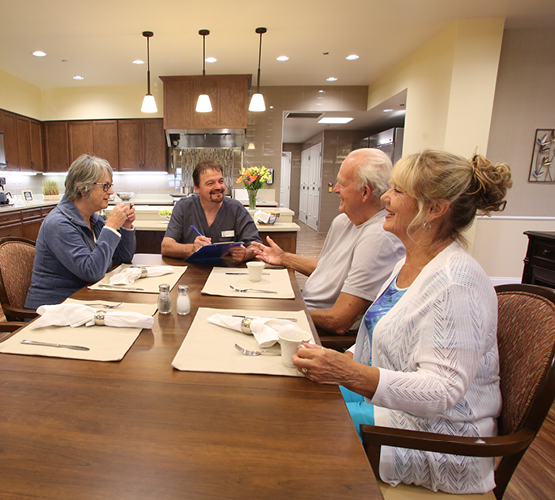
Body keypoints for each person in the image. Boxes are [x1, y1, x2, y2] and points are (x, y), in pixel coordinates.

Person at [293, 150, 512, 494]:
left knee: (297, 429)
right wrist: (334, 360)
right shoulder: (410, 264)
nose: (384, 198)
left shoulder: (456, 283)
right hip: (391, 413)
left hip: (437, 440)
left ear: (435, 209)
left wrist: (347, 373)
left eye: (397, 191)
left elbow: (443, 390)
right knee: (292, 396)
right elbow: (376, 339)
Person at [251, 149, 404, 334]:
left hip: (317, 329)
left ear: (364, 192)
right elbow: (328, 270)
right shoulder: (343, 221)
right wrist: (284, 258)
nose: (336, 188)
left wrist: (281, 312)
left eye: (343, 183)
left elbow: (338, 320)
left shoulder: (379, 237)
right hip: (303, 308)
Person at [25, 154, 136, 309]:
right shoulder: (59, 223)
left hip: (83, 300)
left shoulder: (92, 219)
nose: (111, 191)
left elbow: (123, 256)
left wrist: (126, 226)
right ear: (83, 189)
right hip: (54, 308)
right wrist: (110, 227)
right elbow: (92, 271)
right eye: (105, 186)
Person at [161, 160, 261, 262]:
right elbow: (166, 247)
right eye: (210, 183)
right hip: (191, 272)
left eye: (221, 181)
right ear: (197, 188)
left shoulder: (236, 209)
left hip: (226, 272)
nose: (218, 187)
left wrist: (246, 254)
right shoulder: (183, 207)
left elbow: (257, 246)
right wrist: (192, 248)